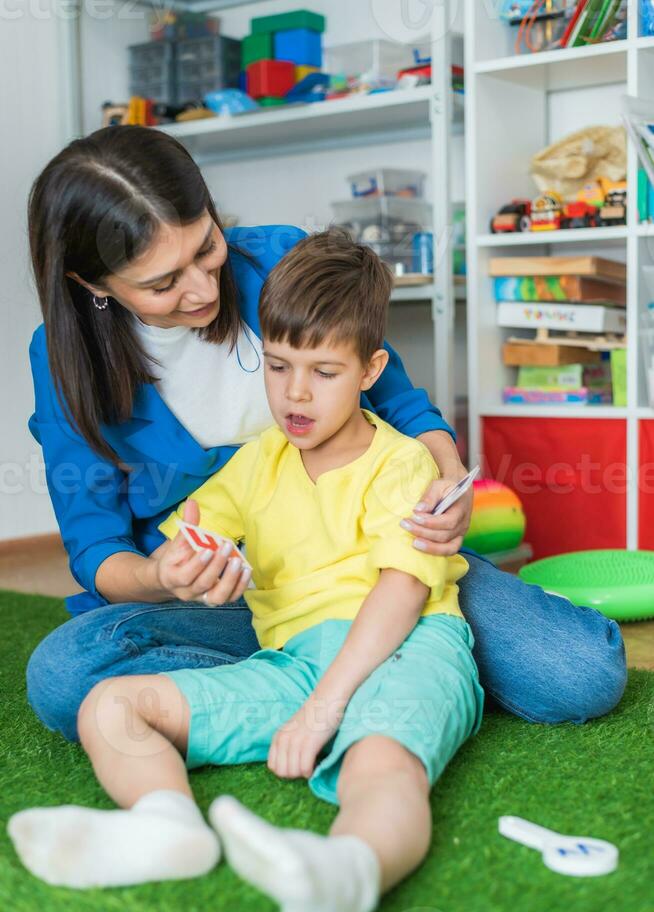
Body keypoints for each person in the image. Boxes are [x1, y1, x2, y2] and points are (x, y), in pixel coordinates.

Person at [24, 126, 625, 745]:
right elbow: (96, 547)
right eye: (162, 283)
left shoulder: (284, 261)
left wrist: (447, 480)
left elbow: (402, 404)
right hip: (222, 605)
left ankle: (295, 687)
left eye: (207, 247)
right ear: (92, 284)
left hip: (376, 565)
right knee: (66, 676)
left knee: (578, 673)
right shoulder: (64, 361)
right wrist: (162, 578)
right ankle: (381, 681)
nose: (202, 289)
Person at [9, 232, 485, 912]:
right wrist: (188, 559)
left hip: (407, 644)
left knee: (381, 766)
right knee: (108, 704)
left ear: (371, 370)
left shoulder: (403, 462)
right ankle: (169, 826)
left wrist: (327, 705)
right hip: (293, 660)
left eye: (324, 372)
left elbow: (400, 592)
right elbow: (186, 536)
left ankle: (347, 874)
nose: (295, 393)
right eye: (278, 365)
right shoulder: (258, 460)